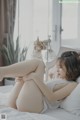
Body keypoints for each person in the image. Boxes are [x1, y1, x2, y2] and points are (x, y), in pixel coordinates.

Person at [0, 51, 80, 113]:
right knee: (27, 73)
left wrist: (35, 77)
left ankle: (2, 71)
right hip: (16, 103)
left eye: (61, 68)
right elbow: (41, 88)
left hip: (36, 106)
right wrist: (23, 80)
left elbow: (52, 97)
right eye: (58, 67)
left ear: (71, 69)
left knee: (39, 63)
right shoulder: (59, 79)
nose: (58, 70)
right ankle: (3, 72)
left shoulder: (72, 84)